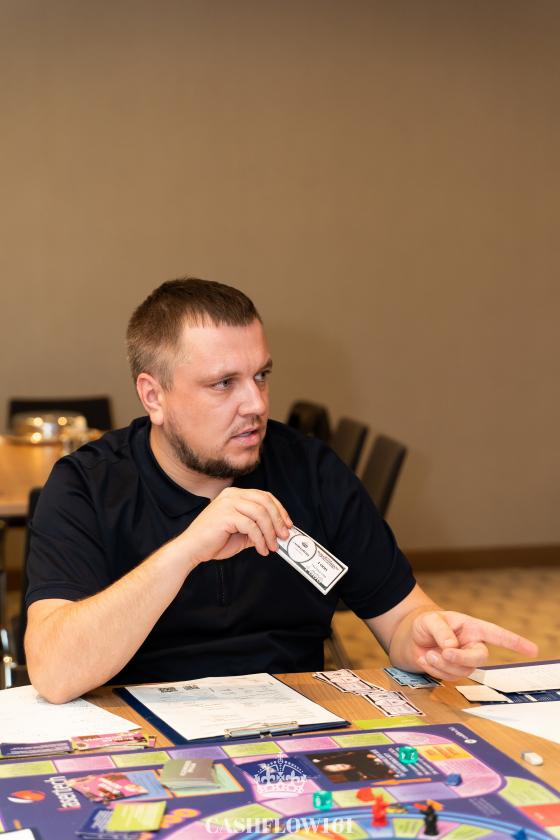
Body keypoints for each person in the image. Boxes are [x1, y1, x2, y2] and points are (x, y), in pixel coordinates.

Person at [24, 277, 537, 703]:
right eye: (223, 383)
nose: (256, 404)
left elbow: (403, 618)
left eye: (262, 376)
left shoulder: (311, 471)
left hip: (296, 727)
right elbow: (54, 673)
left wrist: (424, 637)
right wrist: (186, 551)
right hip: (137, 733)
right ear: (153, 396)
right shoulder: (86, 485)